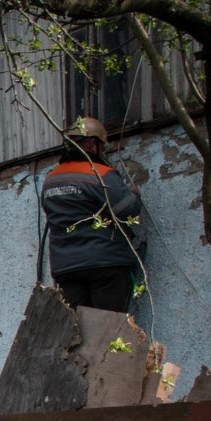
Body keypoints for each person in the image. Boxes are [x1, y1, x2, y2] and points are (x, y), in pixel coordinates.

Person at [41, 117, 147, 312]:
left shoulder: (50, 180)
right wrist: (133, 194)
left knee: (78, 330)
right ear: (92, 144)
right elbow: (127, 210)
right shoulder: (100, 174)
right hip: (105, 263)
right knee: (108, 327)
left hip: (66, 268)